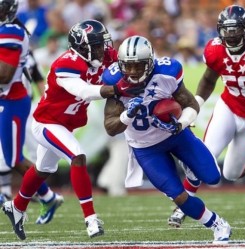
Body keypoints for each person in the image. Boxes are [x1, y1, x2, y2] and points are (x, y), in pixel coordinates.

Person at [2, 19, 144, 240]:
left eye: (103, 44)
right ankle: (91, 219)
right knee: (77, 156)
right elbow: (85, 91)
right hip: (47, 123)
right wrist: (118, 88)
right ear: (82, 47)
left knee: (43, 169)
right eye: (97, 45)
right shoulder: (66, 64)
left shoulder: (105, 57)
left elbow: (125, 65)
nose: (103, 49)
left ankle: (17, 206)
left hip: (66, 123)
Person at [168, 4, 245, 227]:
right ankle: (182, 207)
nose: (230, 36)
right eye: (226, 30)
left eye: (235, 30)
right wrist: (195, 106)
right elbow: (208, 79)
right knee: (204, 155)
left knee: (232, 173)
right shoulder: (215, 49)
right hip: (228, 106)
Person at [103, 35, 232, 244]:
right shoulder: (113, 82)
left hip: (175, 135)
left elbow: (192, 105)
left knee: (213, 177)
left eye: (139, 66)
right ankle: (217, 224)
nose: (133, 72)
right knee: (178, 196)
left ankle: (191, 171)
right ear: (120, 64)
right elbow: (110, 127)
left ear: (150, 62)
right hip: (146, 148)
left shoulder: (167, 72)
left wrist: (179, 124)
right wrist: (127, 115)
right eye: (128, 66)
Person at [0, 0, 63, 224]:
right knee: (12, 157)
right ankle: (48, 196)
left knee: (14, 159)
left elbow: (5, 75)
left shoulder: (10, 31)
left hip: (12, 100)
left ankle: (47, 196)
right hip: (7, 99)